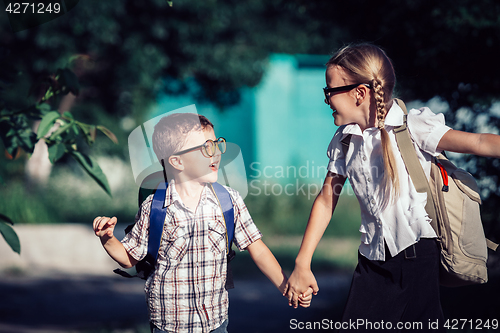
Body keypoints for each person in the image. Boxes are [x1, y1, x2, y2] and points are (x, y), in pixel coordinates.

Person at [283, 43, 500, 331]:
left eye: (329, 91)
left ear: (359, 93)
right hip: (372, 261)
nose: (326, 100)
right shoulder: (344, 141)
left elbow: (479, 142)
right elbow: (326, 201)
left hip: (417, 256)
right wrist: (302, 262)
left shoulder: (413, 126)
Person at [93, 113, 312, 333]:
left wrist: (286, 286)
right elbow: (129, 258)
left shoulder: (229, 201)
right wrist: (108, 239)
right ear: (177, 161)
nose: (215, 153)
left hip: (215, 323)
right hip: (168, 324)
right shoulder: (154, 207)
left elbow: (259, 250)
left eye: (216, 144)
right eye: (205, 148)